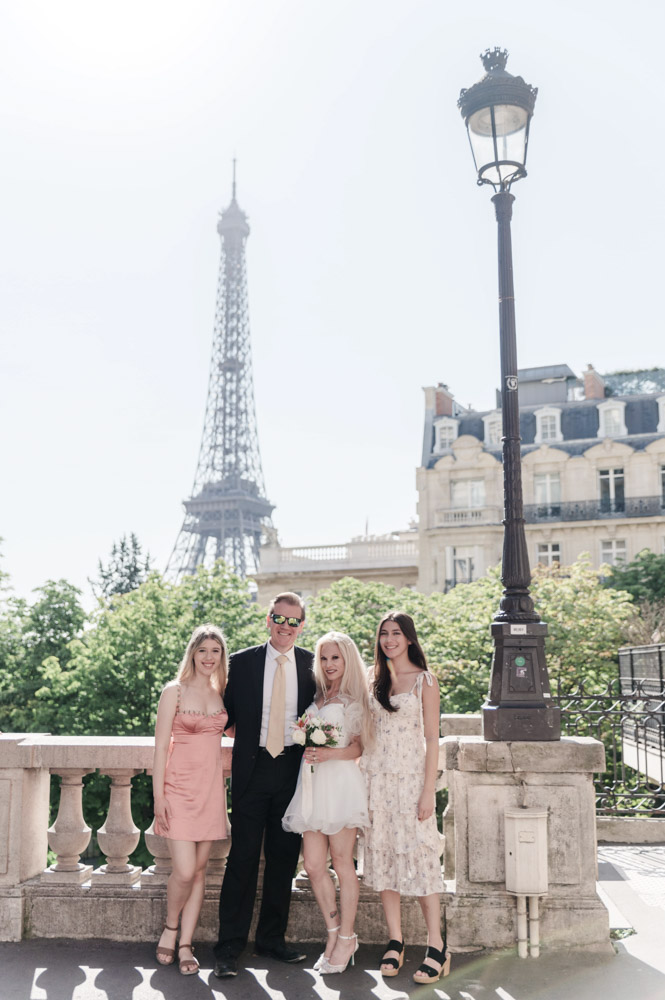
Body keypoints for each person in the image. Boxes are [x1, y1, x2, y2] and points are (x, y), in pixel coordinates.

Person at [213, 592, 316, 978]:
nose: (285, 627)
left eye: (293, 621)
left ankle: (272, 941)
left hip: (293, 770)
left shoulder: (312, 664)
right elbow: (224, 715)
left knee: (283, 860)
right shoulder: (240, 663)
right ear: (268, 620)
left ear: (302, 625)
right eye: (279, 618)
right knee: (241, 859)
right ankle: (228, 948)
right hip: (251, 770)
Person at [361, 611, 450, 984]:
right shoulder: (373, 678)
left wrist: (428, 790)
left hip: (413, 783)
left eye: (396, 633)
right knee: (384, 859)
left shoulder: (425, 681)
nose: (389, 640)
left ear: (409, 638)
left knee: (421, 859)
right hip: (378, 782)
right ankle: (395, 939)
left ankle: (437, 946)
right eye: (384, 633)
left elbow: (432, 739)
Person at [282, 631, 372, 974]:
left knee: (342, 863)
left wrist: (327, 751)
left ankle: (348, 938)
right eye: (323, 658)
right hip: (312, 786)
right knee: (315, 865)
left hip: (340, 786)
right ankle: (333, 933)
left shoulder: (353, 700)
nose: (329, 664)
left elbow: (358, 748)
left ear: (347, 660)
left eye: (335, 658)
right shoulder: (318, 697)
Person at [153, 624, 229, 976]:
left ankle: (186, 943)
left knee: (199, 872)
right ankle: (170, 927)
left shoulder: (222, 692)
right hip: (178, 790)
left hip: (211, 791)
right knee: (183, 870)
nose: (209, 657)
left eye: (215, 651)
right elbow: (159, 749)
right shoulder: (175, 691)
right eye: (203, 650)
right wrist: (159, 798)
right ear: (192, 653)